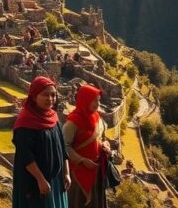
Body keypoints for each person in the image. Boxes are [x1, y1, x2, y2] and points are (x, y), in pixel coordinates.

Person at [12, 76, 70, 208]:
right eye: (45, 95)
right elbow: (25, 156)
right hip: (35, 182)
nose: (50, 99)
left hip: (56, 180)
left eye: (53, 95)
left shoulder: (53, 117)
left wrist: (66, 173)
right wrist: (40, 179)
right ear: (34, 96)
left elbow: (62, 148)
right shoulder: (25, 122)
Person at [64, 85, 110, 208]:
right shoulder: (72, 122)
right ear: (85, 99)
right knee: (79, 203)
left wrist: (105, 145)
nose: (97, 103)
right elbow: (64, 146)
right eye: (94, 100)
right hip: (79, 173)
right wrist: (82, 160)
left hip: (96, 170)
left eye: (99, 100)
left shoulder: (97, 117)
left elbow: (101, 138)